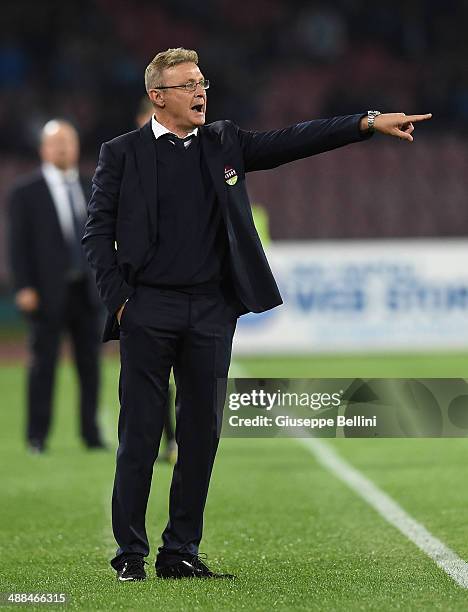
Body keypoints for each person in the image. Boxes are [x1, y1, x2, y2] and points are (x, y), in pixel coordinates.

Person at [82, 47, 431, 581]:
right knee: (141, 435)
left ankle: (179, 552)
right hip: (148, 308)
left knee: (200, 437)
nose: (200, 92)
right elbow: (97, 233)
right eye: (187, 85)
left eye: (202, 81)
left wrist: (363, 122)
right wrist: (123, 302)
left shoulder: (224, 142)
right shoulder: (122, 152)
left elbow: (294, 140)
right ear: (158, 97)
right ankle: (130, 554)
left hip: (210, 312)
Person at [8, 119, 104, 454]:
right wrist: (23, 286)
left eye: (68, 142)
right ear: (43, 149)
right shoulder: (24, 192)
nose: (63, 148)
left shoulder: (93, 186)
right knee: (42, 366)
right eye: (56, 142)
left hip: (87, 292)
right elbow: (17, 246)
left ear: (76, 147)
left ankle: (91, 434)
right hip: (45, 292)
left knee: (90, 366)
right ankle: (37, 436)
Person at [135, 95, 178, 465]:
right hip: (144, 298)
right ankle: (167, 440)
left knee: (185, 382)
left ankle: (179, 441)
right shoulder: (123, 163)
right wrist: (120, 301)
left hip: (188, 296)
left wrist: (364, 123)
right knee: (154, 384)